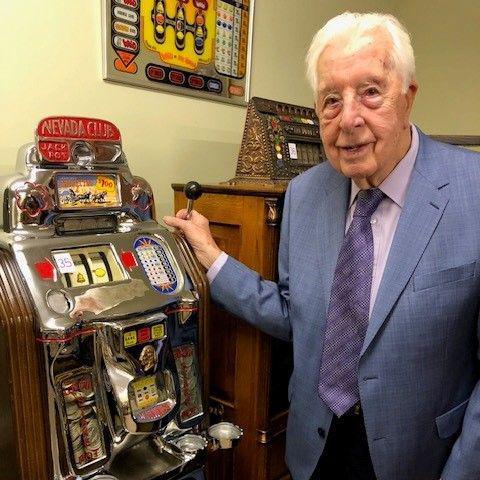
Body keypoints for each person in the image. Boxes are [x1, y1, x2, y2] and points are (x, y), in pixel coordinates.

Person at [164, 11, 480, 480]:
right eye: (332, 99)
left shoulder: (472, 191)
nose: (348, 118)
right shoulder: (304, 193)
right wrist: (212, 257)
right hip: (315, 447)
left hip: (425, 459)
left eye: (371, 92)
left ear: (408, 96)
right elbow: (301, 317)